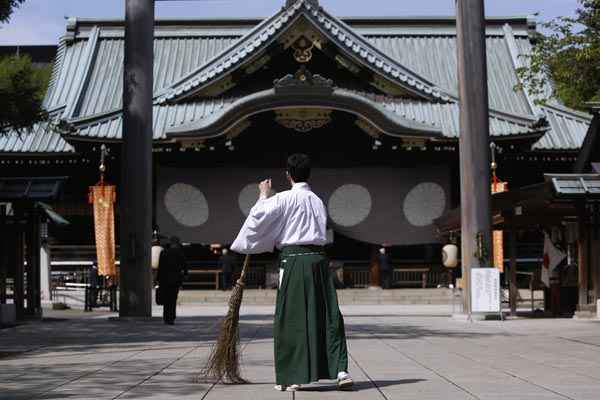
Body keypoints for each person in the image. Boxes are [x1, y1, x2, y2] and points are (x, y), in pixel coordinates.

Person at [231, 154, 353, 392]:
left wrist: (264, 194)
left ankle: (292, 376)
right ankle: (340, 370)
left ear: (288, 175)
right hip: (318, 261)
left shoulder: (284, 198)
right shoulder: (317, 200)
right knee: (328, 315)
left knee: (291, 318)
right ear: (309, 174)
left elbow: (257, 218)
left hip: (295, 261)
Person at [157, 236, 188, 325]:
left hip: (164, 279)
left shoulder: (163, 252)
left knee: (166, 299)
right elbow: (184, 265)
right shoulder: (179, 253)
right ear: (177, 243)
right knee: (172, 299)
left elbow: (160, 267)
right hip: (175, 279)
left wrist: (158, 279)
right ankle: (171, 317)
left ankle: (166, 317)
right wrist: (185, 275)